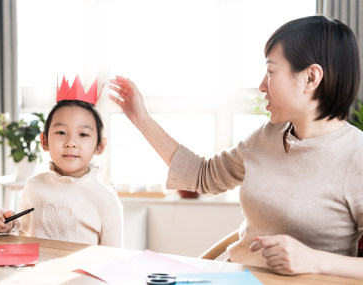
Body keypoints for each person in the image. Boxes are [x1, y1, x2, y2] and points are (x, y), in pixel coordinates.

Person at [109, 15, 363, 278]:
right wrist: (140, 118)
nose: (262, 85)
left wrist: (314, 260)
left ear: (311, 77)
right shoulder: (266, 137)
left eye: (271, 71)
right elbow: (202, 175)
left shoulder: (355, 156)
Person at [0, 76, 123, 247]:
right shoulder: (33, 185)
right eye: (61, 132)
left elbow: (113, 258)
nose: (71, 142)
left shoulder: (106, 199)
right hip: (36, 273)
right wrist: (4, 226)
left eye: (83, 134)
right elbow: (20, 235)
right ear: (44, 141)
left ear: (100, 146)